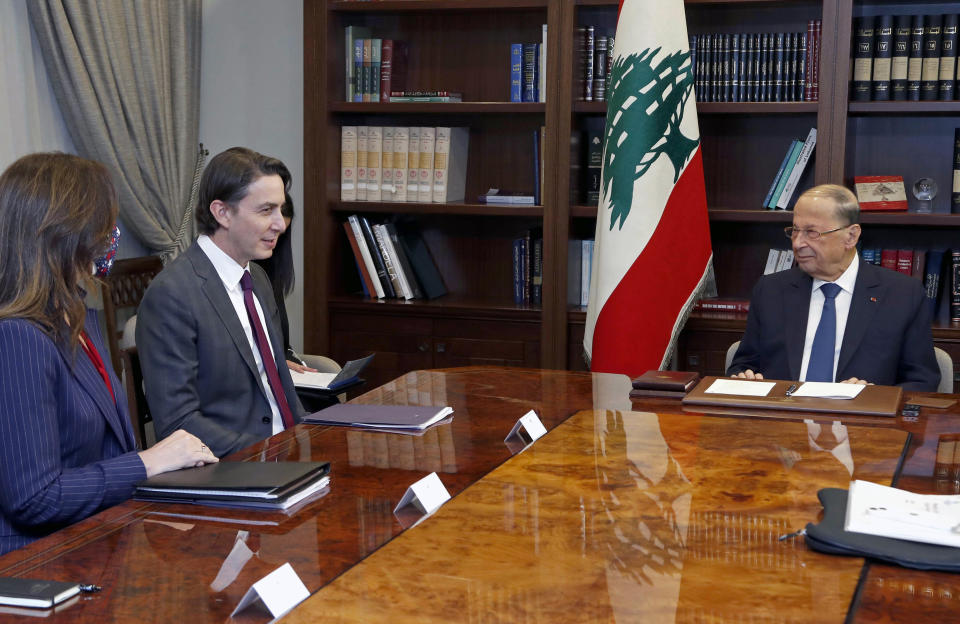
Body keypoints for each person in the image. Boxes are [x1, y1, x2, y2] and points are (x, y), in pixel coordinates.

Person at [0, 152, 218, 556]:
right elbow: (34, 498)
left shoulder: (80, 315)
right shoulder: (16, 337)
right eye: (103, 225)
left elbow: (106, 450)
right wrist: (148, 462)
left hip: (99, 540)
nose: (110, 237)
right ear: (65, 233)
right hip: (39, 563)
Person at [137, 147, 306, 458]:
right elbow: (178, 422)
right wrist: (268, 452)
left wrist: (313, 439)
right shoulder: (172, 294)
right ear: (222, 213)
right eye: (266, 210)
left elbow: (279, 389)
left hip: (288, 454)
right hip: (233, 467)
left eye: (280, 210)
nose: (281, 224)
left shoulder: (257, 277)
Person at [727, 183, 939, 391]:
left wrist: (875, 397)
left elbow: (922, 381)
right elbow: (743, 366)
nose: (798, 243)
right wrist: (745, 377)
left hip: (862, 422)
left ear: (851, 236)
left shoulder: (902, 295)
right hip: (783, 419)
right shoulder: (771, 290)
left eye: (812, 233)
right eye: (795, 231)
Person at [251, 192, 316, 374]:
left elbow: (282, 344)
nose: (274, 241)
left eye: (280, 234)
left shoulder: (268, 271)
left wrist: (292, 363)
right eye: (270, 232)